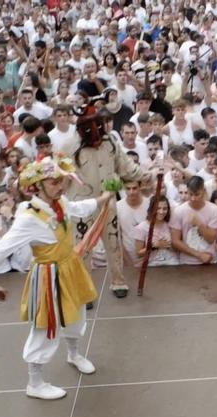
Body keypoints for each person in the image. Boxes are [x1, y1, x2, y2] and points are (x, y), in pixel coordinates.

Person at [0, 156, 114, 399]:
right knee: (45, 328)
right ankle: (34, 383)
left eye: (62, 180)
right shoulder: (29, 217)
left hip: (70, 268)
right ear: (37, 186)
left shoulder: (60, 202)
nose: (61, 186)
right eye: (54, 182)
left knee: (77, 315)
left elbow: (79, 208)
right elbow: (3, 246)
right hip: (48, 277)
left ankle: (73, 354)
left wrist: (103, 198)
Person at [71, 108, 155, 298]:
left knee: (113, 243)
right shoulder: (70, 147)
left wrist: (148, 176)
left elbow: (126, 167)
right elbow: (60, 175)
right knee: (83, 248)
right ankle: (84, 290)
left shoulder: (110, 143)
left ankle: (118, 281)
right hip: (82, 205)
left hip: (108, 202)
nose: (97, 140)